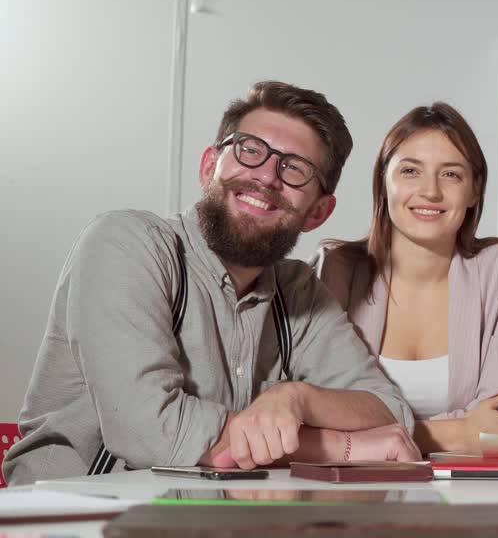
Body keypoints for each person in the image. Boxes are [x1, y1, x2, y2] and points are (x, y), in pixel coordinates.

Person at [2, 81, 419, 486]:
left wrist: (298, 398)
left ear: (318, 213)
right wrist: (337, 447)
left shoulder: (297, 290)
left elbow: (389, 410)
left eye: (294, 169)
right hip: (71, 515)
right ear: (208, 167)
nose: (266, 177)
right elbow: (152, 431)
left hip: (202, 517)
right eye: (249, 150)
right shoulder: (127, 243)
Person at [313, 103, 498, 454]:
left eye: (451, 174)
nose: (430, 191)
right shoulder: (336, 269)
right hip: (357, 486)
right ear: (384, 182)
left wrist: (371, 435)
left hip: (468, 493)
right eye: (410, 171)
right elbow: (318, 414)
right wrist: (455, 432)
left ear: (474, 190)